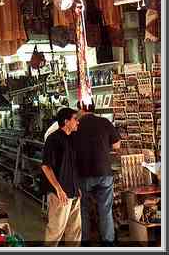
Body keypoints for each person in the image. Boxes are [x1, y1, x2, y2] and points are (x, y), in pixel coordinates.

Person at [73, 101, 121, 246]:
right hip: (104, 172)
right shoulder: (105, 122)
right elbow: (117, 145)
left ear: (82, 109)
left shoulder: (77, 125)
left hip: (83, 174)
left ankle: (85, 242)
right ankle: (108, 243)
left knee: (84, 210)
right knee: (105, 210)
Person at [41, 108, 81, 246]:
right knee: (56, 230)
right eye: (75, 119)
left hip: (74, 192)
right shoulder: (53, 139)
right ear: (66, 121)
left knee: (75, 231)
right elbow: (46, 166)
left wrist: (77, 187)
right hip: (60, 194)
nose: (78, 122)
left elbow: (72, 166)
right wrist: (58, 188)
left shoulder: (72, 138)